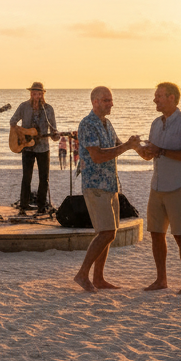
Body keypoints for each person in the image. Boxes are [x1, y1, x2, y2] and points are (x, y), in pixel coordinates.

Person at [73, 87, 142, 292]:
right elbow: (97, 156)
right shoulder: (87, 124)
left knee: (110, 233)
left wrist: (138, 147)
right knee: (106, 232)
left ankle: (99, 278)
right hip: (95, 185)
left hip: (110, 184)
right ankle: (82, 274)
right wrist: (127, 147)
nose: (111, 103)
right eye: (106, 100)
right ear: (95, 102)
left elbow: (117, 146)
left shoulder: (107, 123)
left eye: (111, 100)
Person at [139, 82, 181, 294]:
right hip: (157, 186)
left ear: (172, 97)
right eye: (155, 96)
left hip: (179, 186)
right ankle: (161, 280)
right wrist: (143, 151)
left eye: (159, 96)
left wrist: (161, 151)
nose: (155, 99)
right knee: (156, 234)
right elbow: (152, 154)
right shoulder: (156, 123)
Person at [10, 81, 60, 214]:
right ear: (30, 93)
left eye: (38, 93)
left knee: (44, 178)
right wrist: (22, 135)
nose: (35, 96)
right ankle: (24, 206)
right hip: (27, 148)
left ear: (42, 94)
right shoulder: (23, 106)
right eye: (33, 93)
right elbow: (12, 121)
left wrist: (56, 136)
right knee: (27, 177)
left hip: (43, 147)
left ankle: (41, 207)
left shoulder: (48, 109)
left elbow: (53, 129)